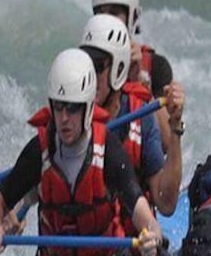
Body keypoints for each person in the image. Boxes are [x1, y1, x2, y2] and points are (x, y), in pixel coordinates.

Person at [0, 48, 163, 256]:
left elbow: (141, 210)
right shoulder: (38, 153)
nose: (64, 118)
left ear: (89, 107)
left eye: (73, 108)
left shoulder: (109, 151)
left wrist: (151, 235)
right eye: (58, 107)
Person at [79, 13, 184, 224]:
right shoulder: (67, 114)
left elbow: (165, 203)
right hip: (78, 250)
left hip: (128, 248)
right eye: (86, 65)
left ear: (118, 68)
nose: (90, 75)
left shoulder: (141, 116)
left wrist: (175, 130)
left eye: (98, 67)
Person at [92, 0, 178, 152]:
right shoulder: (84, 65)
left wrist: (139, 80)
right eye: (101, 13)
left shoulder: (155, 66)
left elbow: (167, 146)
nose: (107, 20)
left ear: (132, 17)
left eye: (115, 13)